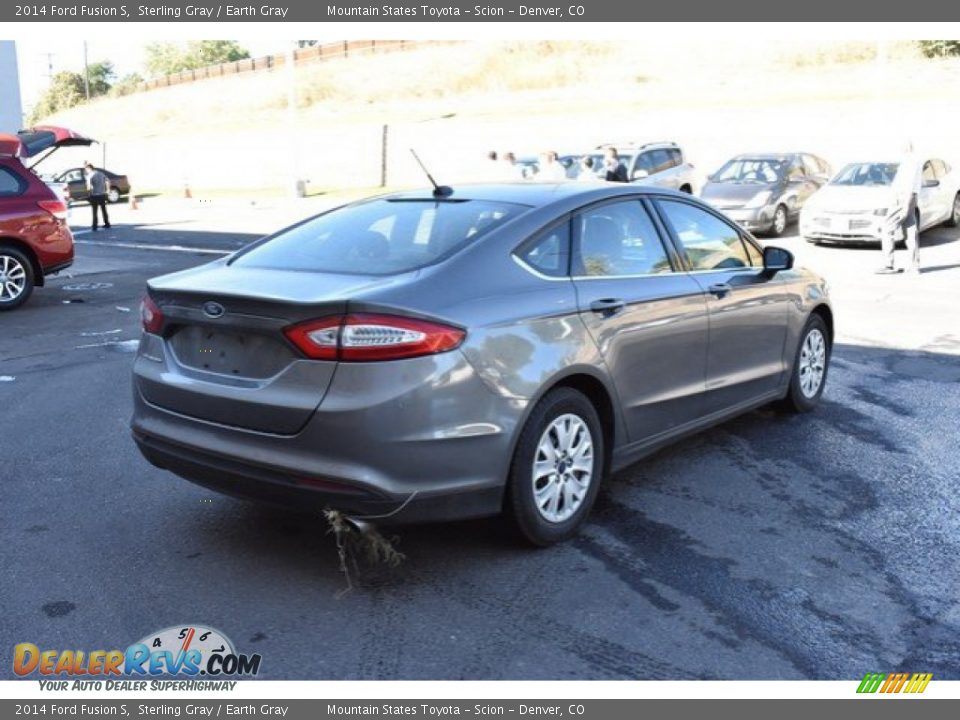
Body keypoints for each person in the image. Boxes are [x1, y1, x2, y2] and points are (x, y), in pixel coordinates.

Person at [878, 142, 921, 274]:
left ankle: (888, 265)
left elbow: (908, 185)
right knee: (910, 231)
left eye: (903, 146)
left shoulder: (910, 162)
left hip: (903, 198)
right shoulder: (913, 161)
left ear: (907, 147)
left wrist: (905, 206)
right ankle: (914, 267)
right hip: (908, 197)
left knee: (887, 228)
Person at [85, 163, 111, 231]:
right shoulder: (101, 173)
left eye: (86, 170)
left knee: (94, 211)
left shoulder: (89, 176)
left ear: (89, 168)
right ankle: (107, 223)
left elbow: (88, 187)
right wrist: (108, 190)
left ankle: (94, 225)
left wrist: (89, 194)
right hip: (102, 194)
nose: (86, 171)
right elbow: (108, 181)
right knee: (104, 209)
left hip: (94, 195)